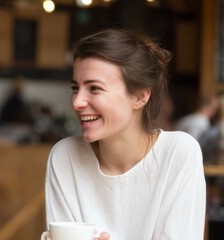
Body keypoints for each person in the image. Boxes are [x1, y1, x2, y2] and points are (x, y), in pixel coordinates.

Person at [44, 28, 206, 239]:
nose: (76, 102)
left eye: (94, 88)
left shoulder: (178, 153)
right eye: (76, 88)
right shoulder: (65, 156)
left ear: (139, 96)